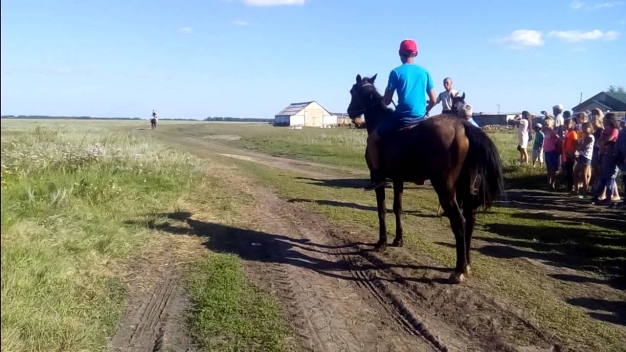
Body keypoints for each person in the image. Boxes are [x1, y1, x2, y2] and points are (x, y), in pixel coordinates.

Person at [364, 39, 437, 191]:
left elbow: (388, 100)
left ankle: (377, 176)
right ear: (416, 53)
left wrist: (385, 98)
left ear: (400, 54)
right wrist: (426, 109)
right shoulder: (425, 72)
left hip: (402, 117)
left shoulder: (396, 72)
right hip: (421, 118)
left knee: (372, 139)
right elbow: (434, 99)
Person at [574, 122, 594, 196]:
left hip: (586, 156)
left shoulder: (590, 137)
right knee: (576, 173)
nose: (584, 129)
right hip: (581, 155)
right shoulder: (583, 137)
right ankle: (576, 189)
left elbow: (583, 147)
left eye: (586, 127)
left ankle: (584, 191)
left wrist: (579, 147)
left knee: (584, 174)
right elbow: (579, 146)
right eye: (583, 127)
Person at [543, 118, 560, 189]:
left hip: (552, 152)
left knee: (552, 169)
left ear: (551, 125)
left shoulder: (553, 133)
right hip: (547, 152)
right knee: (548, 169)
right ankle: (548, 183)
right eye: (545, 125)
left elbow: (558, 139)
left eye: (547, 125)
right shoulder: (546, 132)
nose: (546, 126)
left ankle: (552, 183)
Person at [562, 118, 579, 191]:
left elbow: (575, 143)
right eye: (565, 124)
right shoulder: (568, 133)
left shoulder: (573, 133)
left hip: (570, 154)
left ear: (573, 124)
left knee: (571, 171)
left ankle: (572, 186)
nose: (565, 125)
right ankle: (569, 185)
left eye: (567, 124)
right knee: (568, 171)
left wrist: (573, 152)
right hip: (566, 154)